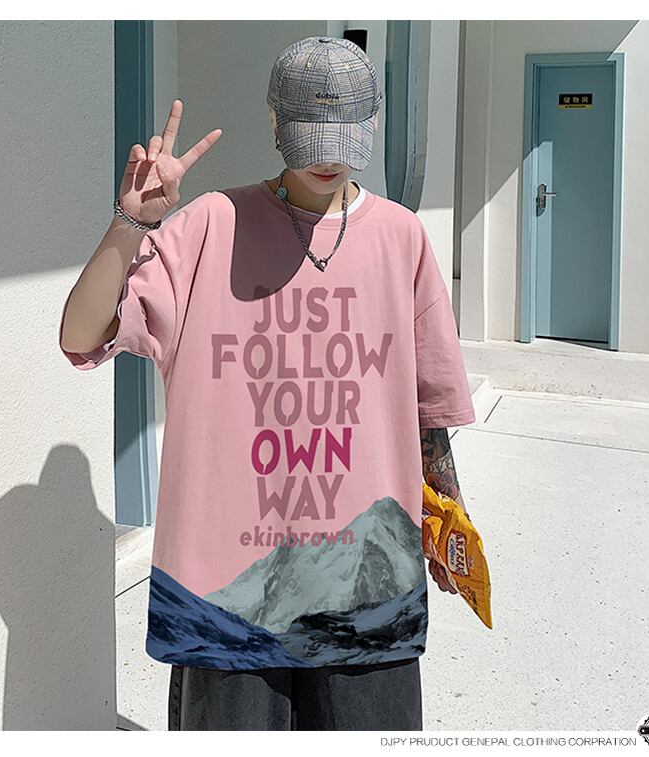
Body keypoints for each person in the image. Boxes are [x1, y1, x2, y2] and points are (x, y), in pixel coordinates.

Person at [59, 35, 475, 731]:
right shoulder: (209, 226)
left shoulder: (402, 237)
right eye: (309, 136)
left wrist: (451, 517)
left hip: (366, 586)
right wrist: (131, 222)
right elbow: (81, 335)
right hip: (226, 591)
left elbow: (427, 407)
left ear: (371, 125)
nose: (326, 158)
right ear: (276, 122)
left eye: (344, 138)